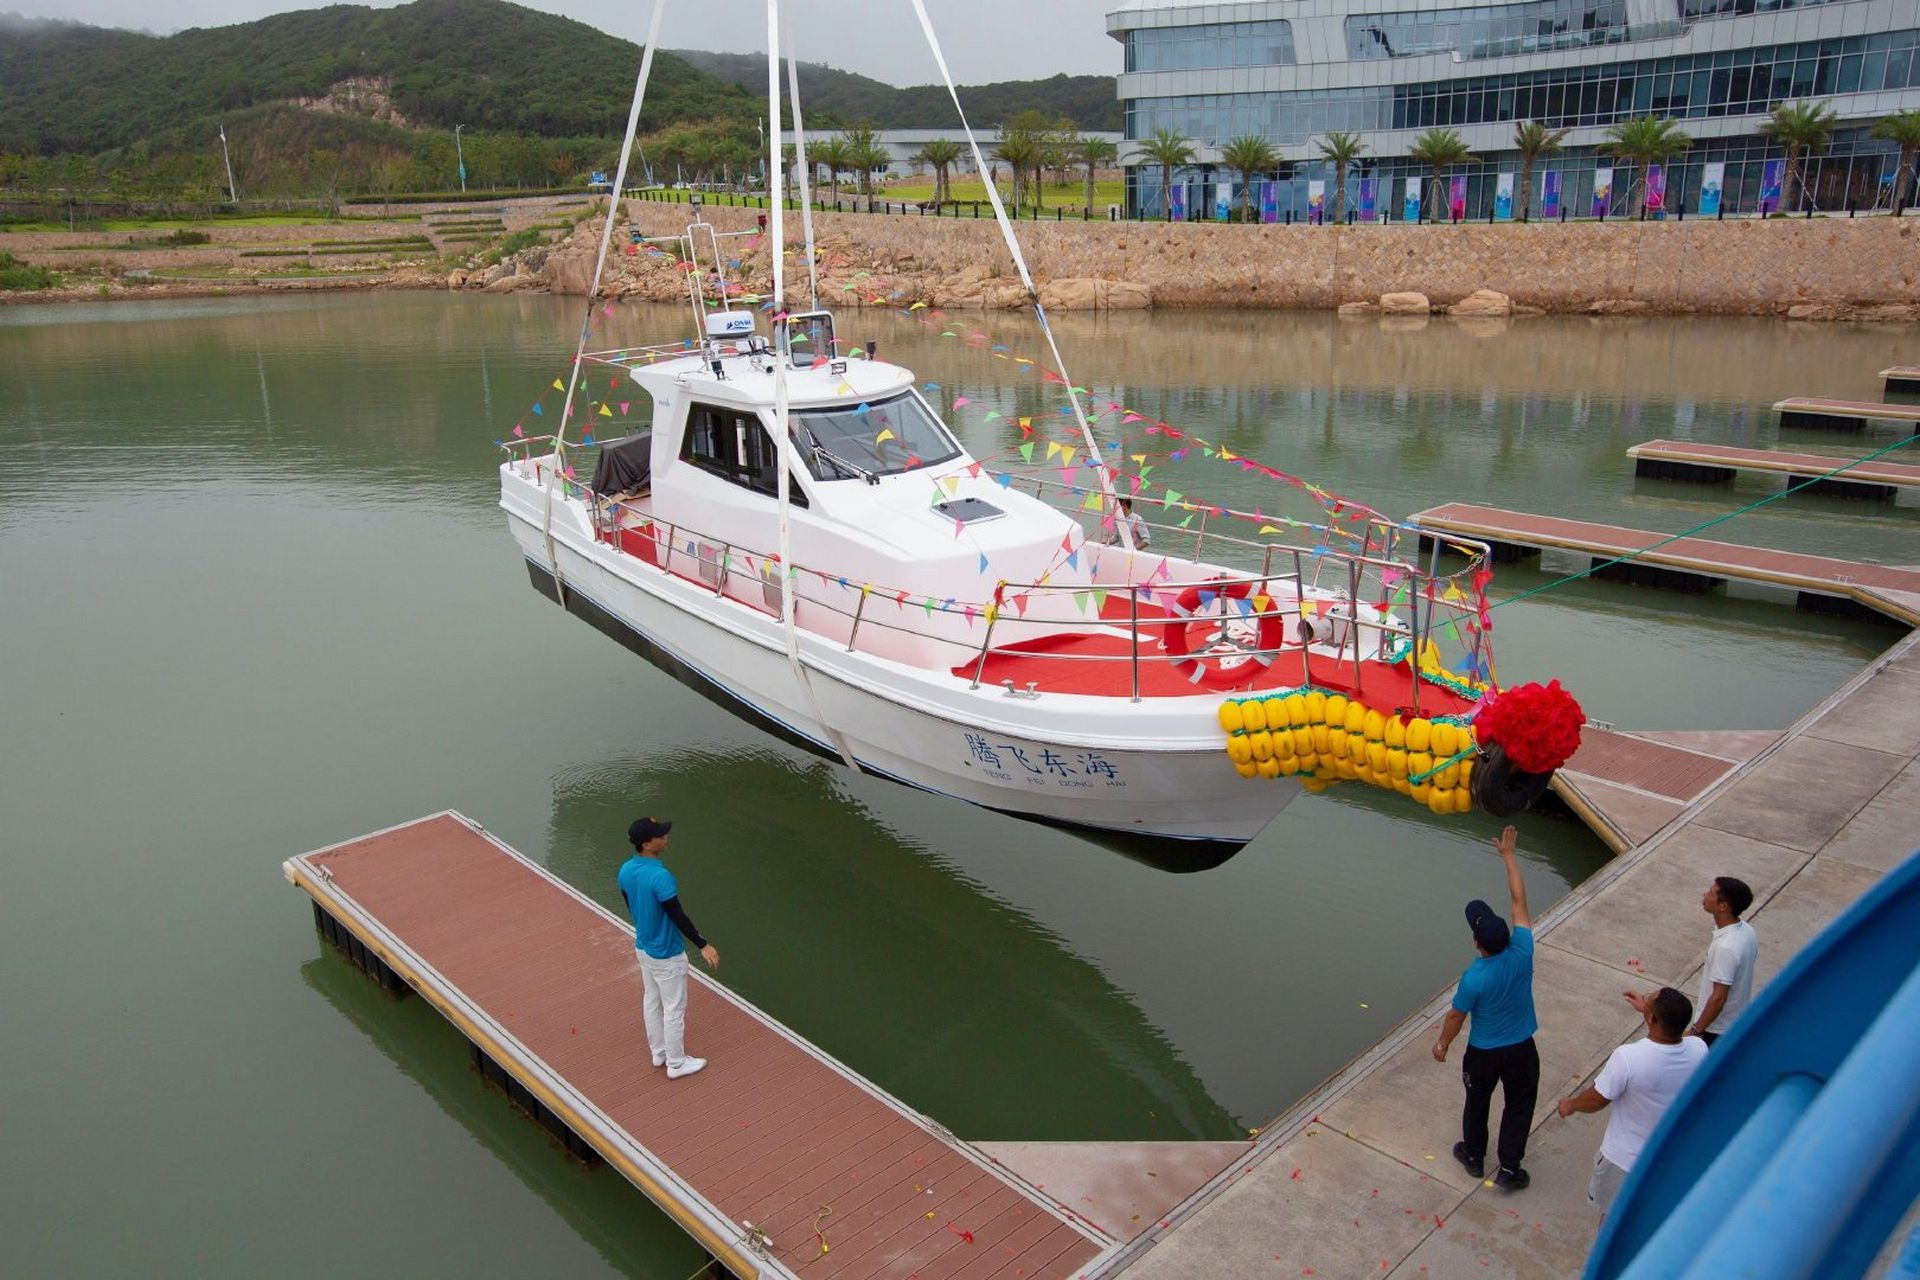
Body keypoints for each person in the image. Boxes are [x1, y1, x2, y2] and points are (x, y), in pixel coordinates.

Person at [1433, 825, 1538, 1190]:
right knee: (1519, 1105)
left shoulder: (1475, 977)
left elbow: (1455, 1017)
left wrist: (1443, 1044)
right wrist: (1509, 858)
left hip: (1484, 1054)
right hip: (1523, 1048)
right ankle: (1510, 1169)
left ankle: (1474, 1156)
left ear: (1477, 942)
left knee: (1477, 1103)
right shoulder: (1523, 949)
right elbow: (1519, 902)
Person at [1557, 987, 1707, 1223]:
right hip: (1669, 1157)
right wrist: (1648, 1011)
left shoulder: (1628, 1058)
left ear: (1653, 1018)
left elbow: (1597, 1099)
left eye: (1648, 1000)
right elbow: (1679, 1035)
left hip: (1624, 1161)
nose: (1645, 1000)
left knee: (1611, 1221)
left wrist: (1571, 1104)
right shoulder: (1699, 1048)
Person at [617, 817, 720, 1079]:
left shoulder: (625, 870)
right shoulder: (661, 877)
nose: (666, 838)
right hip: (667, 954)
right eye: (660, 835)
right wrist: (703, 945)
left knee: (651, 999)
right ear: (646, 843)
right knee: (674, 1009)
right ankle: (676, 1064)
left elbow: (631, 907)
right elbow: (678, 915)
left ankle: (659, 1052)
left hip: (644, 947)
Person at [1692, 876, 1757, 1046]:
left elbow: (1718, 998)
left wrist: (1696, 1030)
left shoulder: (1726, 947)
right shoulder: (1746, 930)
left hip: (1716, 1029)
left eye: (1711, 893)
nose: (1705, 894)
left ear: (1723, 906)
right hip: (1734, 1020)